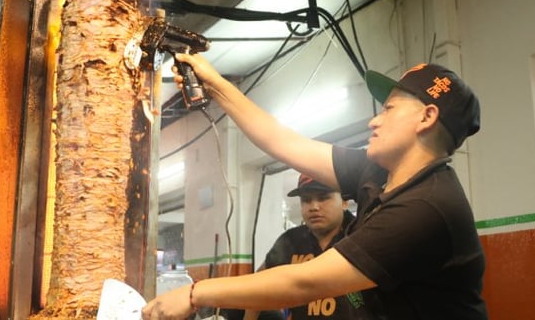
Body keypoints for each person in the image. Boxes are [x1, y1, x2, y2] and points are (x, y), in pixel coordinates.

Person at [143, 58, 487, 319]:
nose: (374, 120)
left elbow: (304, 282)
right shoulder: (379, 172)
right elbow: (283, 143)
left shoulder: (427, 207)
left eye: (389, 109)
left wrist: (195, 294)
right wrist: (215, 83)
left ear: (426, 117)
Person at [244, 173, 381, 320]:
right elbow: (259, 286)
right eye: (306, 200)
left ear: (344, 201)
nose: (314, 207)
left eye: (323, 197)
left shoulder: (363, 235)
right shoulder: (291, 240)